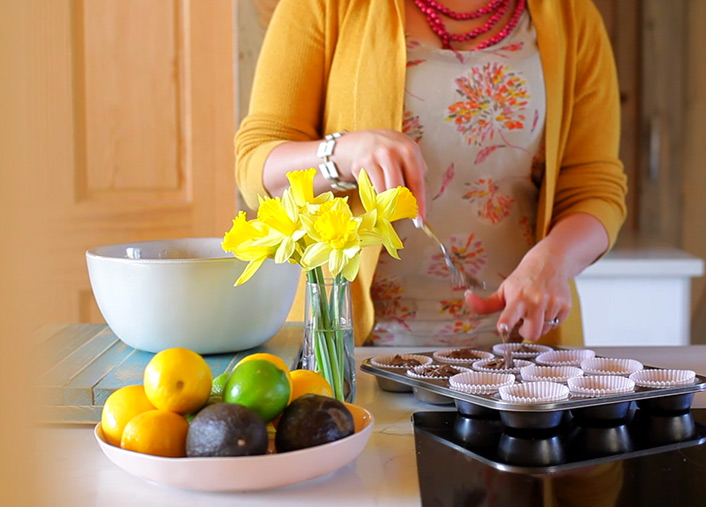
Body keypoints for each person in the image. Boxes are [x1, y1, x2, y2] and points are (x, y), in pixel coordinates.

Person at [235, 0, 627, 348]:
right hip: (348, 349)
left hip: (522, 355)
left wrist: (554, 261)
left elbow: (596, 189)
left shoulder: (573, 16)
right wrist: (343, 152)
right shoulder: (324, 6)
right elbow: (256, 168)